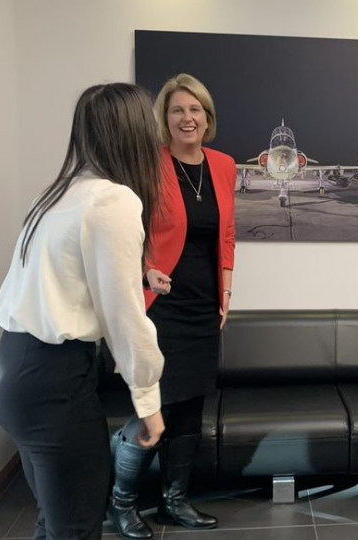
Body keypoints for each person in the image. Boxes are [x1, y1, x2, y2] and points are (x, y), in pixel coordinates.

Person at [0, 83, 166, 540]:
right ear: (136, 134)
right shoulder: (113, 200)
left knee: (54, 520)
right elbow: (124, 317)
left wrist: (140, 276)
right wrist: (148, 400)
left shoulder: (55, 194)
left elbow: (58, 278)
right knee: (77, 527)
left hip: (11, 372)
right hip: (53, 385)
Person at [107, 73, 236, 538]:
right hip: (160, 305)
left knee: (190, 409)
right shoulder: (148, 165)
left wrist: (226, 293)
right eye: (178, 109)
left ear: (208, 117)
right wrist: (143, 272)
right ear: (165, 118)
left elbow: (225, 235)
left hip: (204, 307)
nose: (188, 118)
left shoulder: (223, 165)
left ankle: (174, 501)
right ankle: (121, 505)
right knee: (153, 407)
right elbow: (124, 230)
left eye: (195, 109)